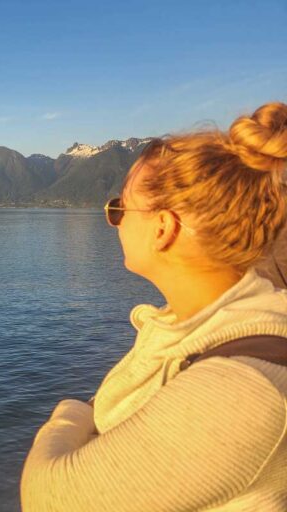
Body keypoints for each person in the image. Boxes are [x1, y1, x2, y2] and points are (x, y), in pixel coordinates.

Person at [20, 101, 287, 511]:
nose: (114, 220)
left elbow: (48, 495)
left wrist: (75, 412)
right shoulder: (205, 329)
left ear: (163, 228)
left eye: (119, 208)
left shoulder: (244, 387)